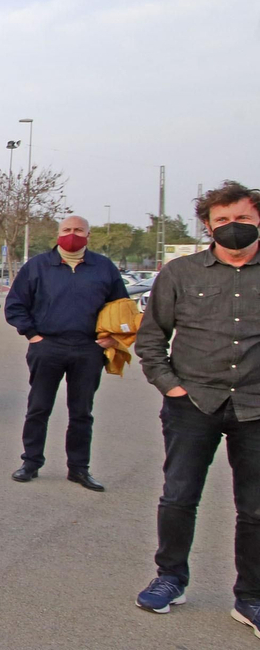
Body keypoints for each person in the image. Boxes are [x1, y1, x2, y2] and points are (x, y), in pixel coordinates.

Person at [133, 182, 260, 637]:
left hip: (255, 407)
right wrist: (170, 387)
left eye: (242, 218)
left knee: (255, 508)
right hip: (193, 403)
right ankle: (170, 577)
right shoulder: (180, 273)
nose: (233, 228)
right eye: (222, 221)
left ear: (258, 218)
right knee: (179, 495)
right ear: (207, 226)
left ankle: (251, 597)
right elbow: (150, 339)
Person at [4, 215, 129, 490]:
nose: (72, 234)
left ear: (88, 234)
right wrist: (32, 335)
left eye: (78, 230)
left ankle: (79, 468)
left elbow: (121, 306)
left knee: (82, 412)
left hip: (88, 349)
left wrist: (111, 337)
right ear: (58, 233)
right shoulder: (38, 266)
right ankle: (31, 462)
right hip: (47, 346)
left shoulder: (104, 267)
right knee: (38, 408)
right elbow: (15, 304)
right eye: (67, 230)